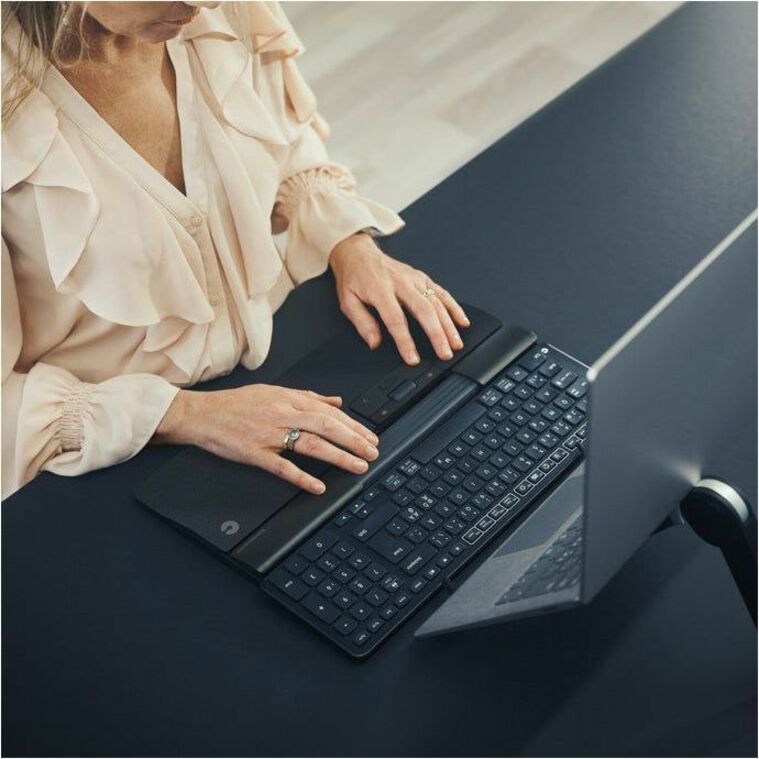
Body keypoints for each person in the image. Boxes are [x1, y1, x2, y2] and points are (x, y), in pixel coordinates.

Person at [1, 1, 470, 499]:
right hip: (111, 459)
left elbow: (282, 140)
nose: (208, 3)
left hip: (282, 373)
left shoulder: (221, 10)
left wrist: (349, 242)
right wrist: (186, 415)